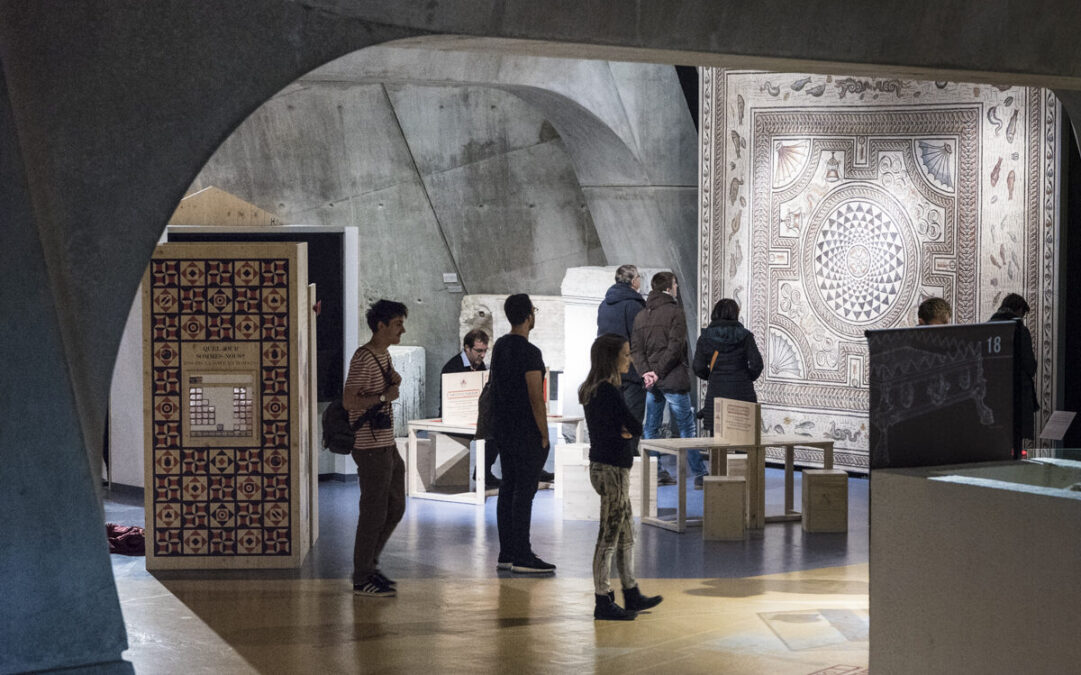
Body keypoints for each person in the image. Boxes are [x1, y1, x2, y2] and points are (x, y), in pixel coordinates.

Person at [581, 334, 664, 621]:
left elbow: (626, 426)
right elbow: (634, 424)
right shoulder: (607, 391)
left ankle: (631, 591)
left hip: (607, 466)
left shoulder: (595, 389)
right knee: (609, 534)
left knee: (626, 531)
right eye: (626, 354)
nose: (629, 359)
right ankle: (602, 599)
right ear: (611, 357)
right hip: (611, 469)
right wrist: (625, 429)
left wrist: (624, 429)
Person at [344, 299, 408, 597]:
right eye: (397, 324)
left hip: (386, 444)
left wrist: (391, 384)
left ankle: (370, 565)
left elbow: (386, 387)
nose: (402, 330)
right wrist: (383, 398)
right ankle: (362, 577)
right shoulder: (364, 358)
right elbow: (349, 401)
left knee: (395, 506)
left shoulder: (383, 355)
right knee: (373, 513)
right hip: (370, 447)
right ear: (380, 326)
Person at [490, 294, 555, 574]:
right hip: (525, 430)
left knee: (508, 488)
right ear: (529, 315)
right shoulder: (530, 352)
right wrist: (544, 433)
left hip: (503, 428)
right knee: (524, 492)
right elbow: (535, 397)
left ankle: (506, 552)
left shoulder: (500, 346)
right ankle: (522, 555)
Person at [631, 272, 707, 487]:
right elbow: (675, 348)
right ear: (668, 288)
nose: (677, 288)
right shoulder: (675, 313)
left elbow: (636, 350)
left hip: (652, 383)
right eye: (675, 284)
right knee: (686, 428)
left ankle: (655, 472)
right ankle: (700, 474)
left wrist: (647, 373)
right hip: (672, 379)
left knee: (651, 428)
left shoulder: (641, 316)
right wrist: (657, 372)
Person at [596, 264, 667, 483]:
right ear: (633, 281)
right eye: (638, 278)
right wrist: (646, 370)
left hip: (608, 372)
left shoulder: (604, 304)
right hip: (631, 372)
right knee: (632, 422)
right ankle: (631, 473)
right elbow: (639, 342)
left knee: (614, 422)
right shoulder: (634, 305)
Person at [692, 299, 763, 436]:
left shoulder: (705, 337)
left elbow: (698, 367)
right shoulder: (746, 336)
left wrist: (712, 376)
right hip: (742, 392)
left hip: (717, 391)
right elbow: (757, 364)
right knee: (744, 438)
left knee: (718, 439)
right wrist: (745, 377)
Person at [441, 329, 500, 489]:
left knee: (498, 430)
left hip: (473, 414)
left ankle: (484, 471)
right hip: (455, 414)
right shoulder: (452, 367)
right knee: (490, 431)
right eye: (478, 351)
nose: (482, 355)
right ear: (467, 348)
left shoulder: (480, 367)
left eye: (485, 351)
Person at [989, 293, 1040, 450]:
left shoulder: (987, 328)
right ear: (1018, 309)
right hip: (1016, 394)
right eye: (1023, 314)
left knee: (996, 440)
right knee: (1015, 442)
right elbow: (1029, 365)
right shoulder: (1019, 330)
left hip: (993, 394)